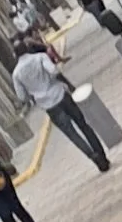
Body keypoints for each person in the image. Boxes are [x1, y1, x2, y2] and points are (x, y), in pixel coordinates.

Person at [11, 34, 110, 172]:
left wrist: (33, 94)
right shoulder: (40, 58)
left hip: (49, 106)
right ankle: (102, 155)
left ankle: (93, 157)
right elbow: (54, 71)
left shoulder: (16, 74)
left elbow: (22, 97)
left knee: (72, 134)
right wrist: (69, 85)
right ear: (27, 48)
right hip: (61, 95)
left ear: (15, 55)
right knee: (83, 125)